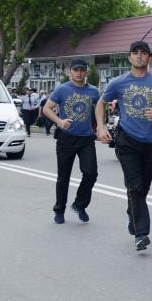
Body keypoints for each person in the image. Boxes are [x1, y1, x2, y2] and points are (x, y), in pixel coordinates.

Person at [95, 41, 152, 251]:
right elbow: (101, 103)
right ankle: (141, 233)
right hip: (127, 140)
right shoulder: (118, 82)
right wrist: (101, 126)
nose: (139, 56)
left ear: (149, 58)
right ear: (130, 57)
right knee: (135, 186)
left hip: (151, 142)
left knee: (142, 188)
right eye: (135, 53)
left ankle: (133, 214)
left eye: (143, 53)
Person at [42, 59, 101, 224]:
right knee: (64, 177)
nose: (79, 73)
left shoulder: (93, 91)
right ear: (71, 72)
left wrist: (100, 126)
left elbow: (100, 108)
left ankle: (79, 204)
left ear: (86, 72)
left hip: (86, 138)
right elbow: (46, 109)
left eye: (82, 70)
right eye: (76, 70)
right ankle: (59, 210)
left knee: (91, 173)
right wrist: (59, 122)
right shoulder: (62, 89)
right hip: (66, 138)